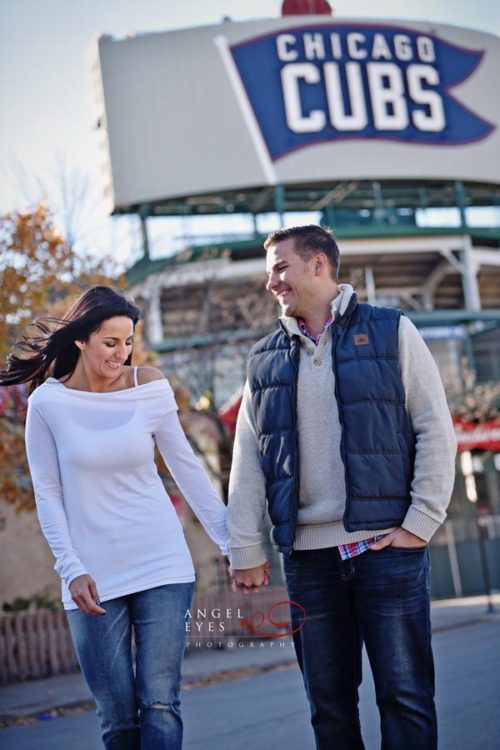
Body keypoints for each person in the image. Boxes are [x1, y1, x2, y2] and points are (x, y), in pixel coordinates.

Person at [227, 226, 457, 750]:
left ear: (318, 265)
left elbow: (434, 428)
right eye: (269, 272)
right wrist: (244, 545)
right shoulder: (263, 359)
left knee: (405, 697)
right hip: (309, 563)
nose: (272, 283)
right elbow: (248, 457)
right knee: (328, 708)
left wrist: (420, 524)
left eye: (280, 267)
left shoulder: (392, 331)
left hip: (386, 551)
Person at [0, 285, 229, 750]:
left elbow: (186, 468)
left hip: (161, 562)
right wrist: (72, 567)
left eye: (127, 343)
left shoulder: (149, 387)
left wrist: (232, 543)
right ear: (82, 339)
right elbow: (47, 491)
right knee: (118, 719)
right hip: (90, 573)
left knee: (161, 704)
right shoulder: (48, 403)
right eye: (110, 343)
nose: (121, 354)